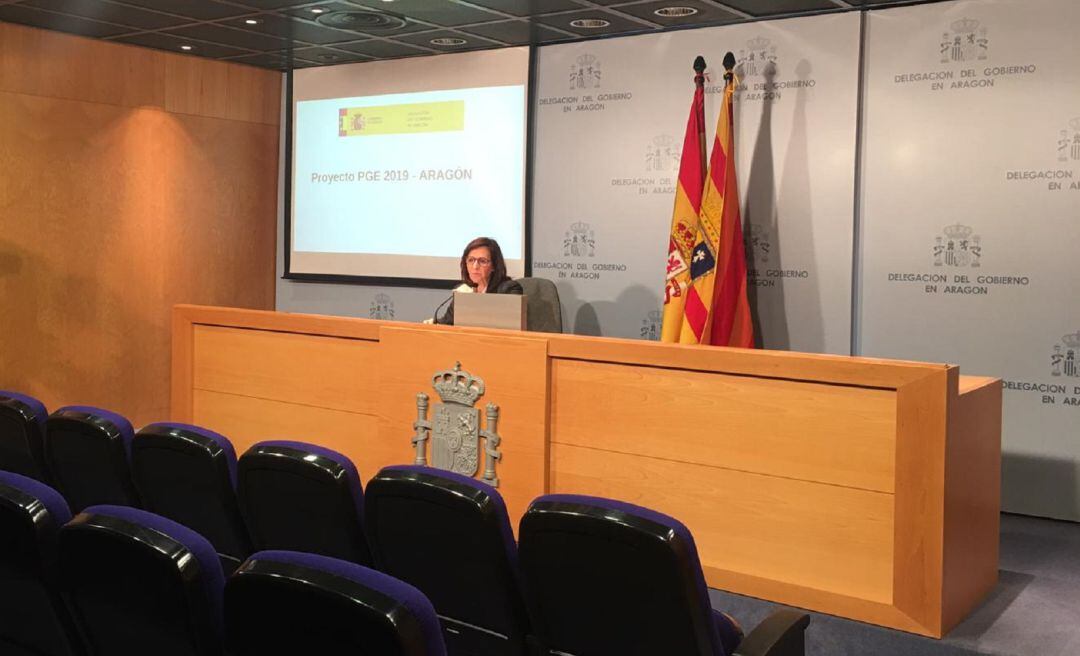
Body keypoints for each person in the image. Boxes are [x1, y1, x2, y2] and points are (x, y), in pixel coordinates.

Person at [433, 237, 522, 325]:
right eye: (471, 260)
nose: (475, 266)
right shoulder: (464, 290)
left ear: (494, 266)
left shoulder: (509, 289)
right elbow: (447, 322)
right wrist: (434, 324)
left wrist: (473, 301)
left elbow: (505, 325)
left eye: (482, 261)